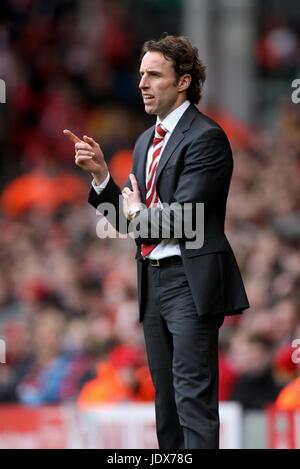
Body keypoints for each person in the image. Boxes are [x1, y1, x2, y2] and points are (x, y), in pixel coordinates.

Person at [64, 35, 249, 449]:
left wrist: (134, 214)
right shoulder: (145, 141)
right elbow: (133, 225)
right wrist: (100, 179)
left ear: (183, 82)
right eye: (141, 74)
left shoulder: (207, 137)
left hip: (190, 280)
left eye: (154, 75)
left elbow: (186, 219)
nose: (143, 83)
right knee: (165, 405)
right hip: (152, 281)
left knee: (192, 400)